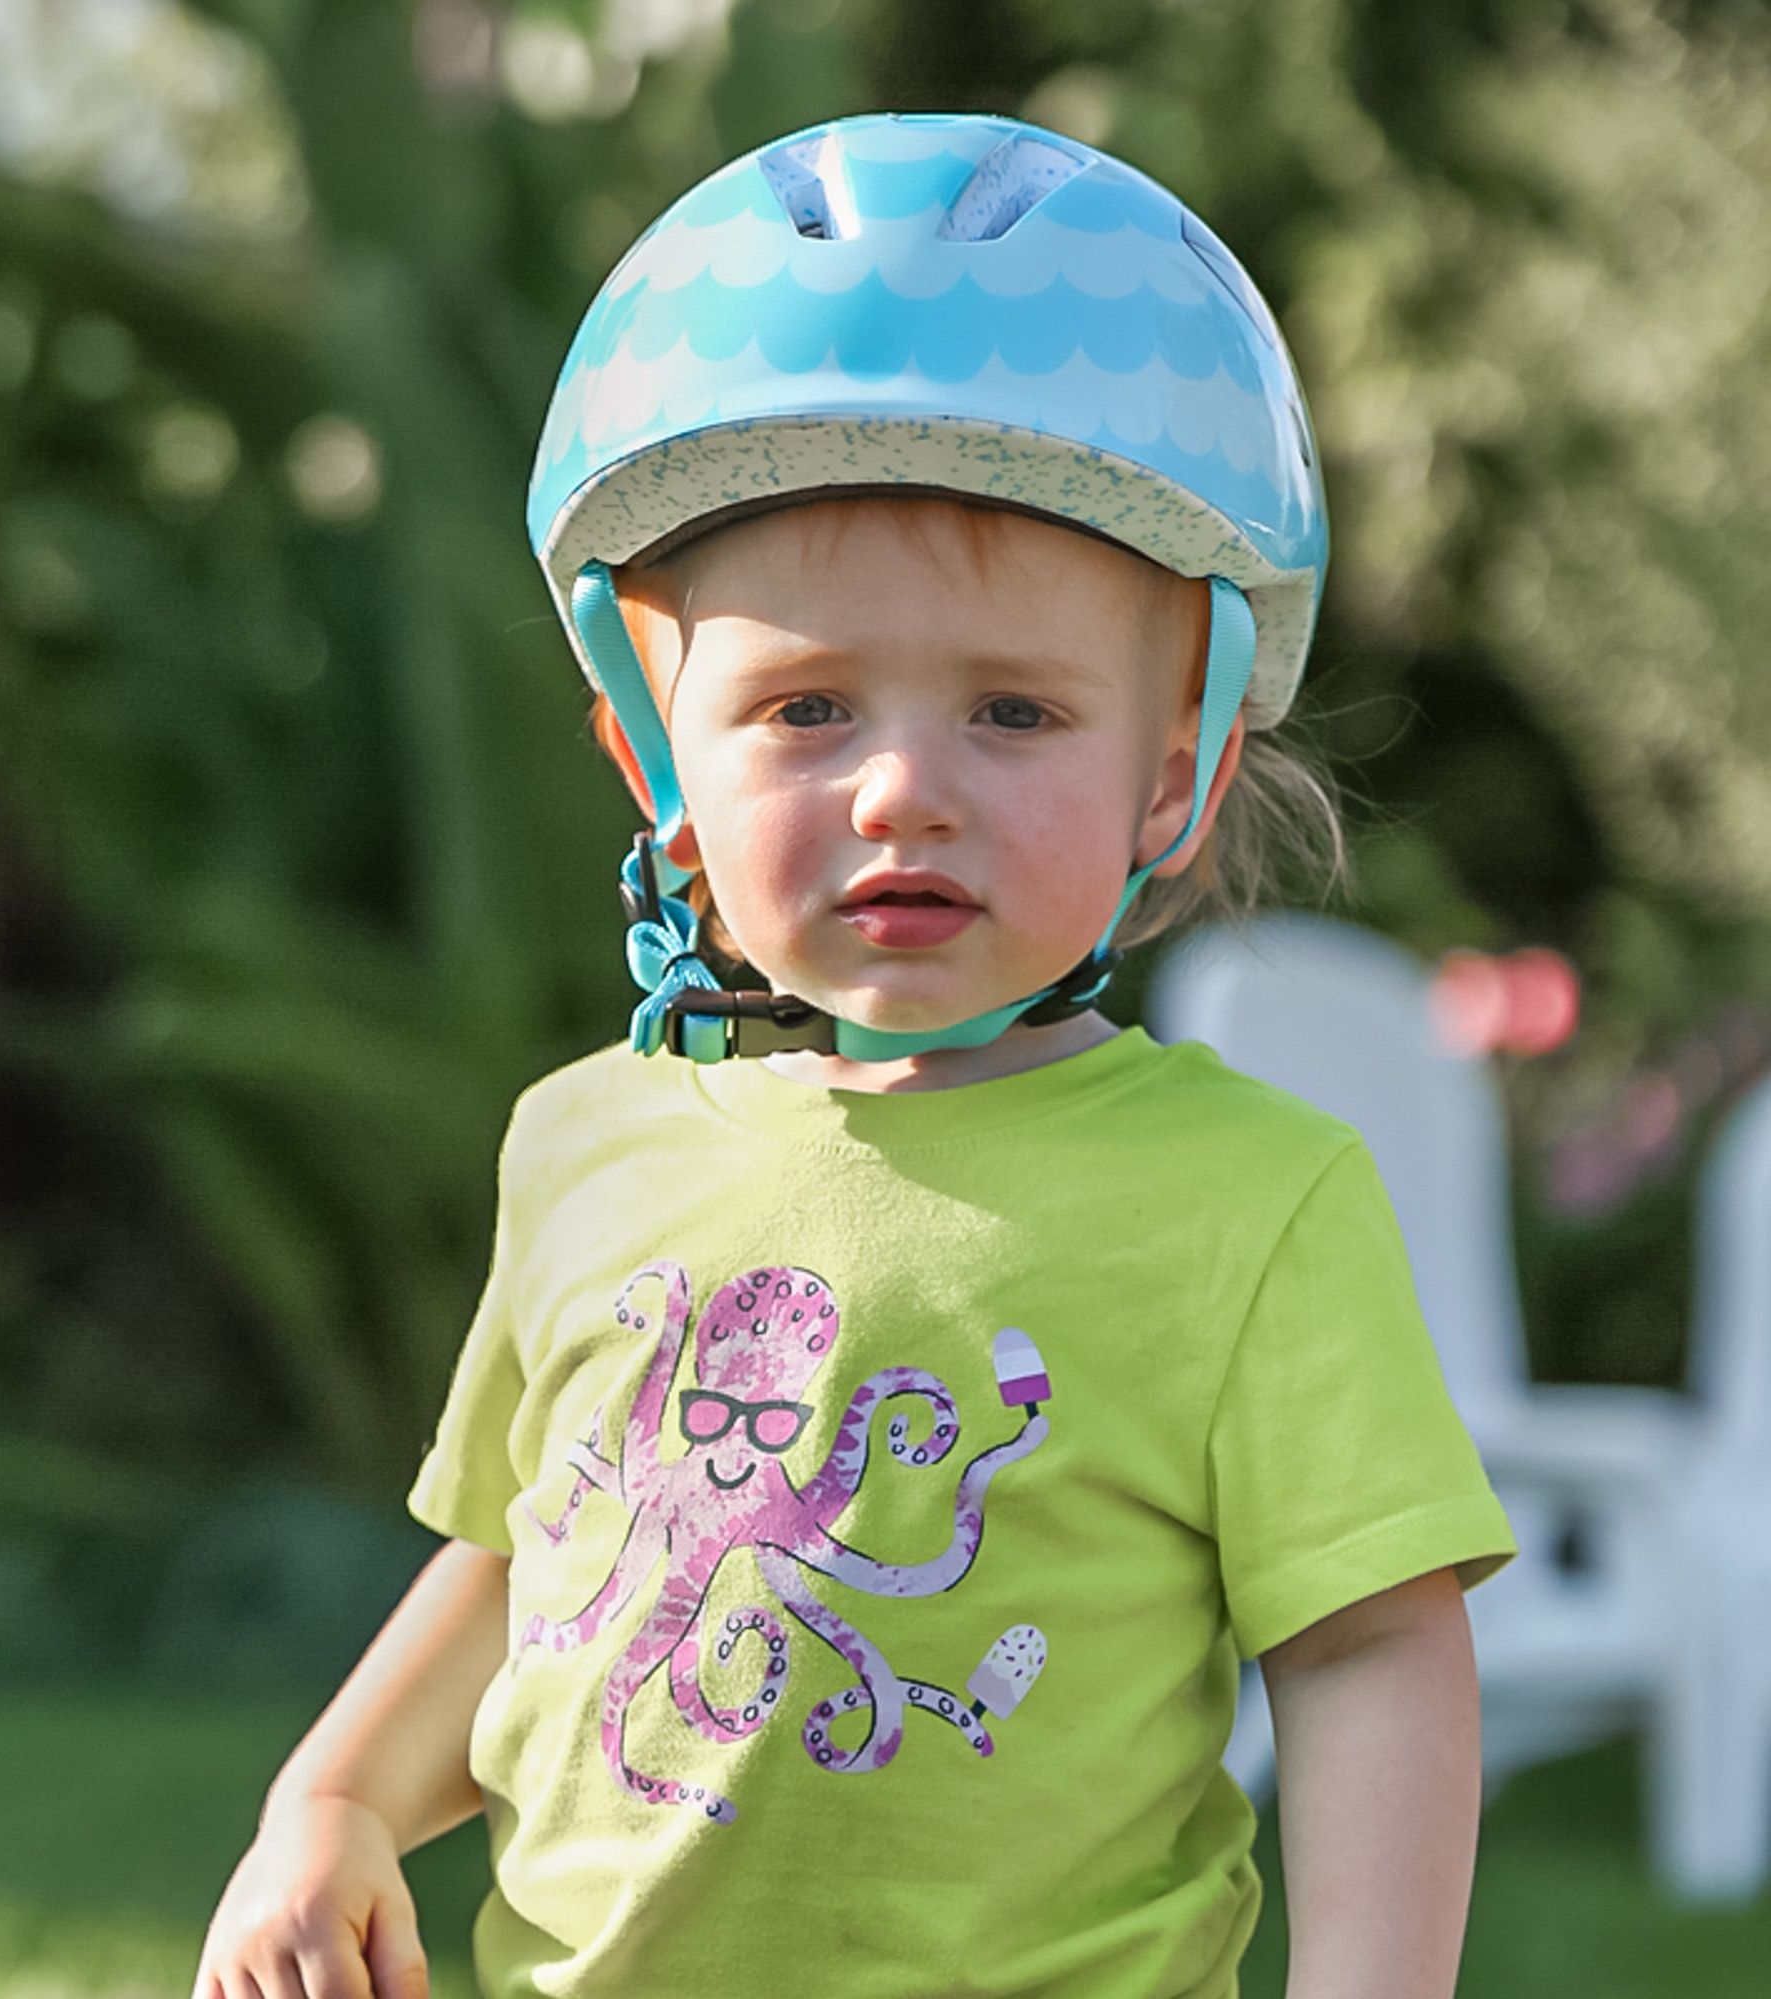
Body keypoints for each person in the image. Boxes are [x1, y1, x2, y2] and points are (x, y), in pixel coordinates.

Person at [193, 112, 1518, 1999]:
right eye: (806, 707)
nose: (904, 788)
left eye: (1010, 709)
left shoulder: (1255, 1201)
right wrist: (325, 1806)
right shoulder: (585, 1144)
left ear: (1177, 768)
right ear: (661, 767)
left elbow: (1371, 1648)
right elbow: (535, 1551)